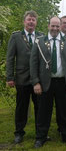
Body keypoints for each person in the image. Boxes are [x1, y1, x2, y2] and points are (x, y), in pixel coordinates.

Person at [30, 16, 66, 148]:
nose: (55, 28)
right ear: (48, 25)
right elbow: (33, 64)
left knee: (64, 112)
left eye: (58, 26)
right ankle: (41, 137)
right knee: (43, 112)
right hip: (45, 83)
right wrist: (35, 82)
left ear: (61, 26)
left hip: (63, 82)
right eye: (53, 25)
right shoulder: (39, 42)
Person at [6, 10, 44, 144]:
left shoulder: (41, 36)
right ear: (24, 21)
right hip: (22, 78)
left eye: (33, 20)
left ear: (36, 23)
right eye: (29, 19)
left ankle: (40, 133)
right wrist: (9, 77)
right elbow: (10, 58)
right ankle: (19, 133)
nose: (31, 22)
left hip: (38, 80)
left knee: (40, 107)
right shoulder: (16, 37)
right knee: (21, 107)